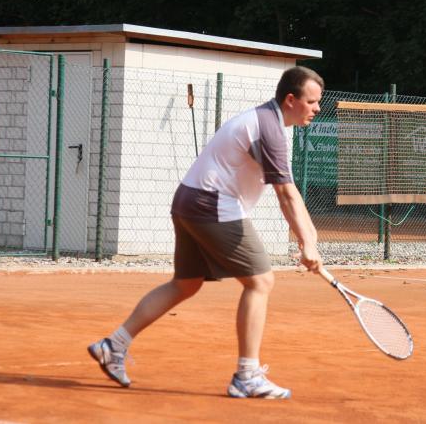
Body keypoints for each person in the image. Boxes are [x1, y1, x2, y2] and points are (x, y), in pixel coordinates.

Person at [88, 66, 324, 399]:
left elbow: (290, 192)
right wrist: (308, 243)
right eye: (312, 102)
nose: (317, 108)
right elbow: (285, 194)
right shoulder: (269, 129)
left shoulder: (266, 122)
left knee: (186, 283)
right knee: (260, 282)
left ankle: (114, 345)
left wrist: (310, 240)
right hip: (211, 205)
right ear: (290, 100)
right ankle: (247, 376)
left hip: (188, 200)